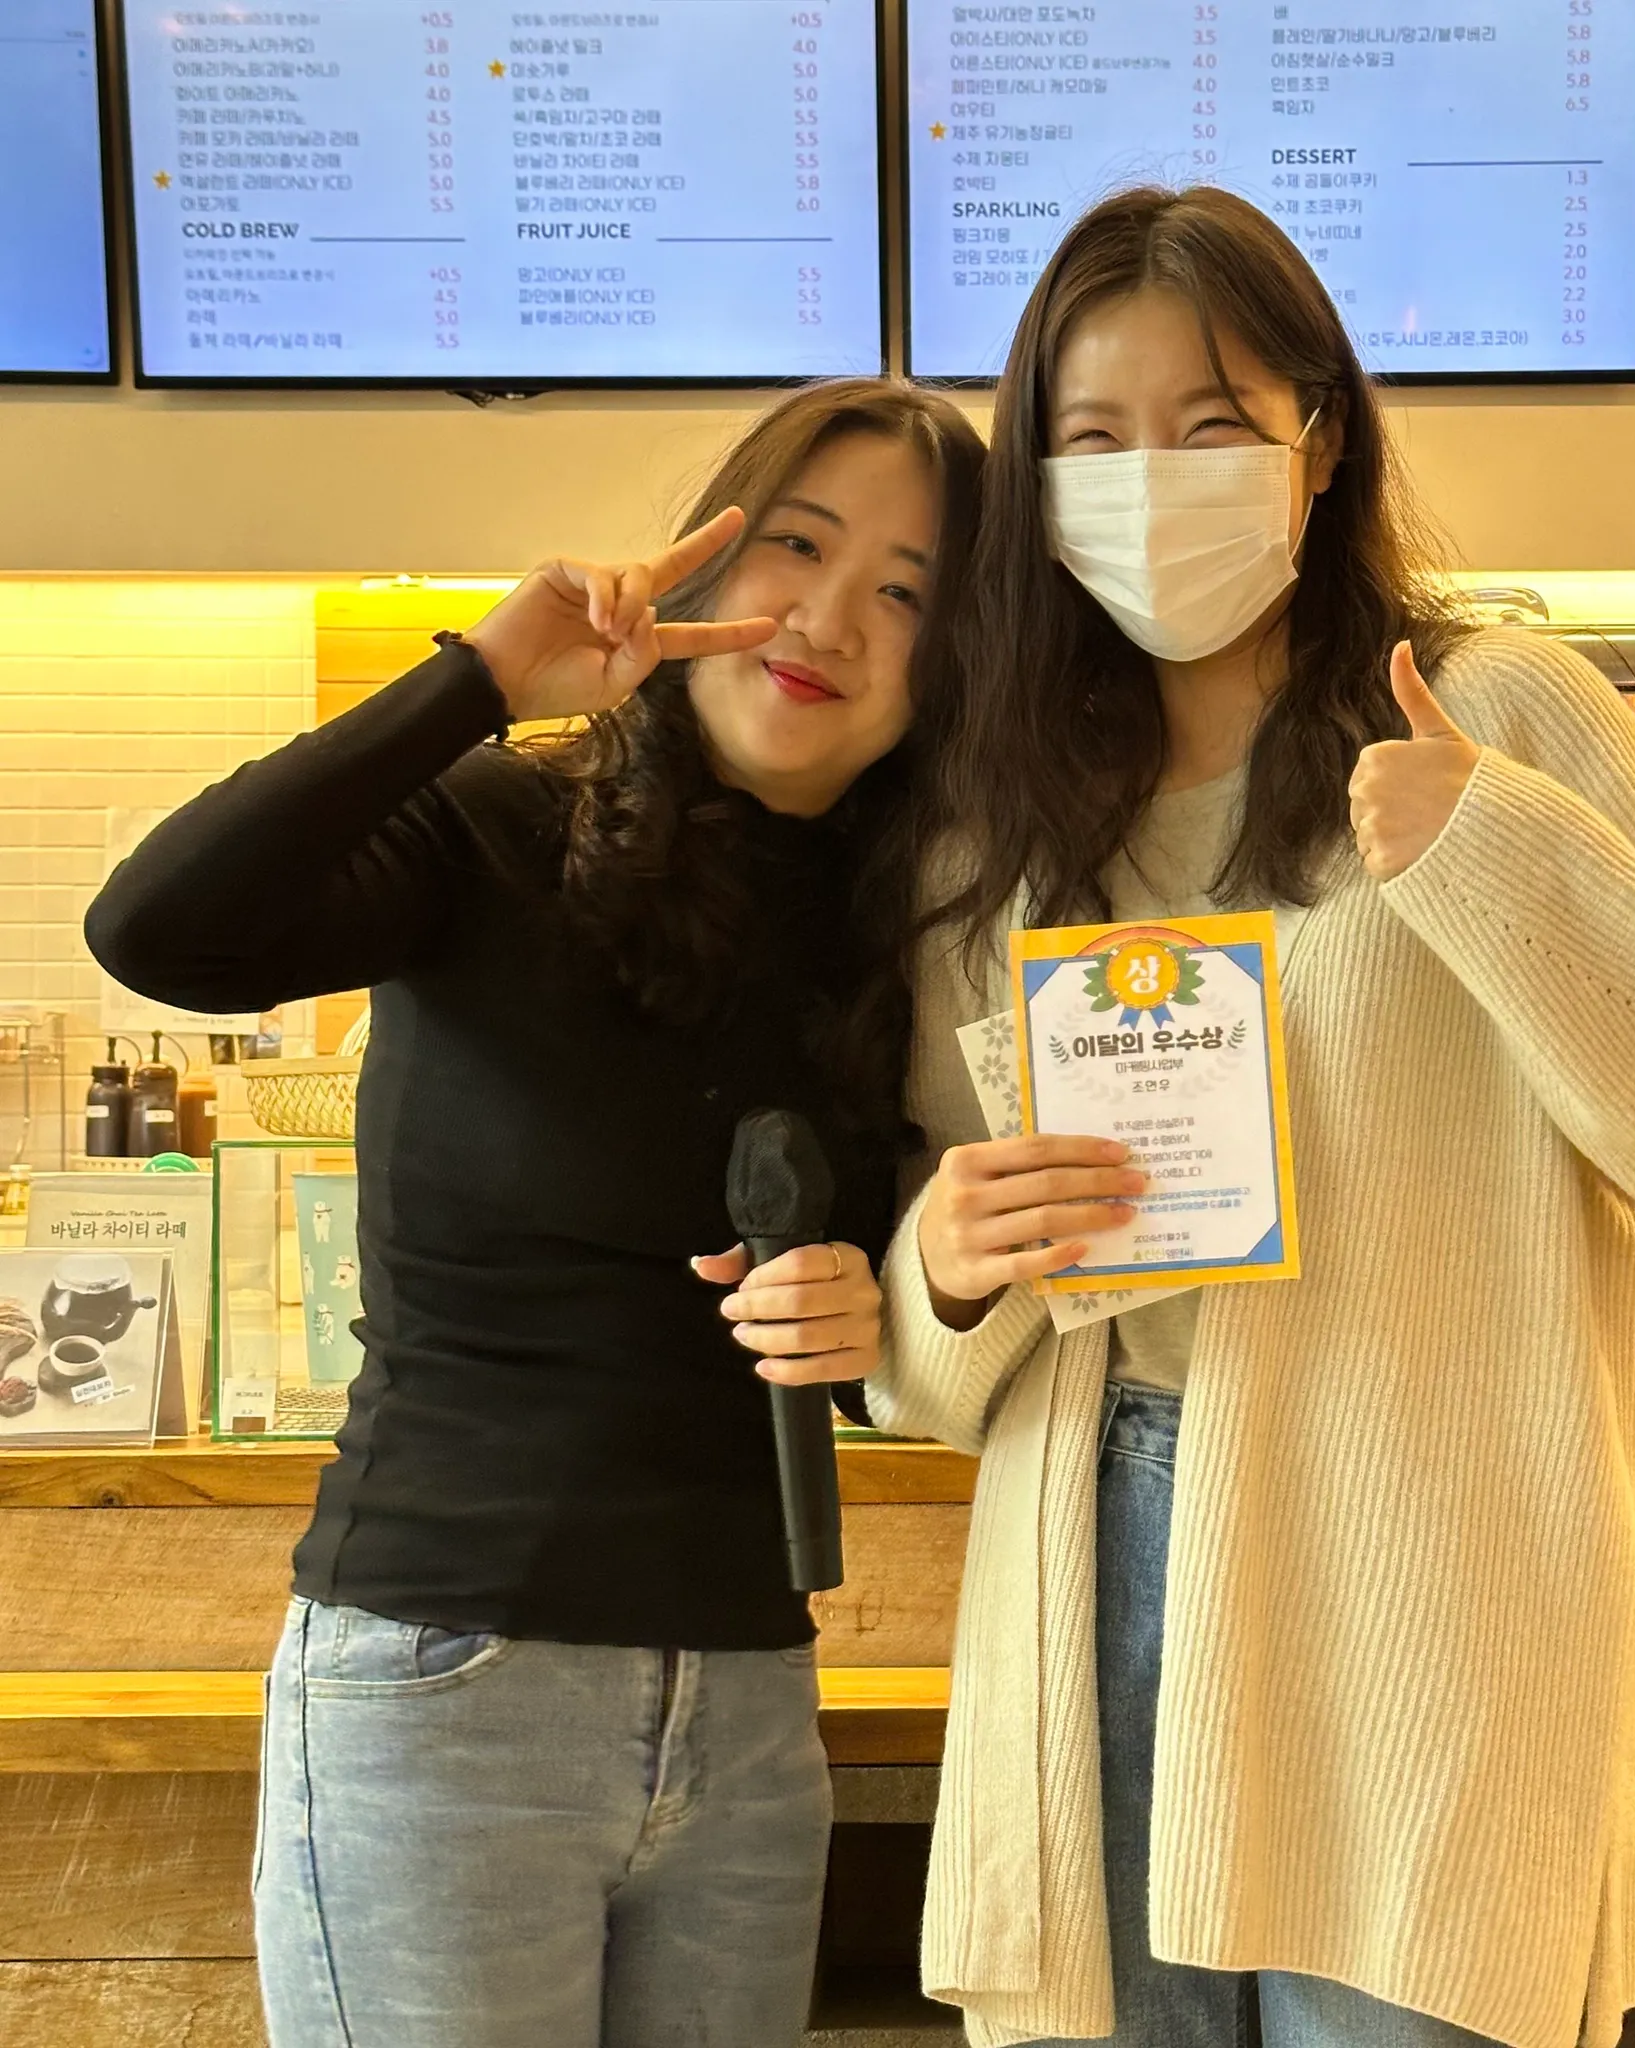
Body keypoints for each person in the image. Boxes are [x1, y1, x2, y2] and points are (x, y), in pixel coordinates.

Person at [864, 189, 1635, 2048]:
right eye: (1093, 438)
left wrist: (1498, 853)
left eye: (1212, 425)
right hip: (1084, 1566)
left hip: (1416, 1580)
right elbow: (939, 1361)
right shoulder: (1002, 823)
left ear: (1319, 442)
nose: (1148, 482)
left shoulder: (1489, 715)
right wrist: (939, 1269)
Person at [84, 379, 985, 2048]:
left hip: (750, 1702)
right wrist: (480, 682)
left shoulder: (916, 937)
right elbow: (160, 930)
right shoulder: (505, 824)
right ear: (705, 558)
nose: (828, 620)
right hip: (448, 1682)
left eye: (908, 591)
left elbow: (890, 1338)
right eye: (797, 547)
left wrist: (878, 1310)